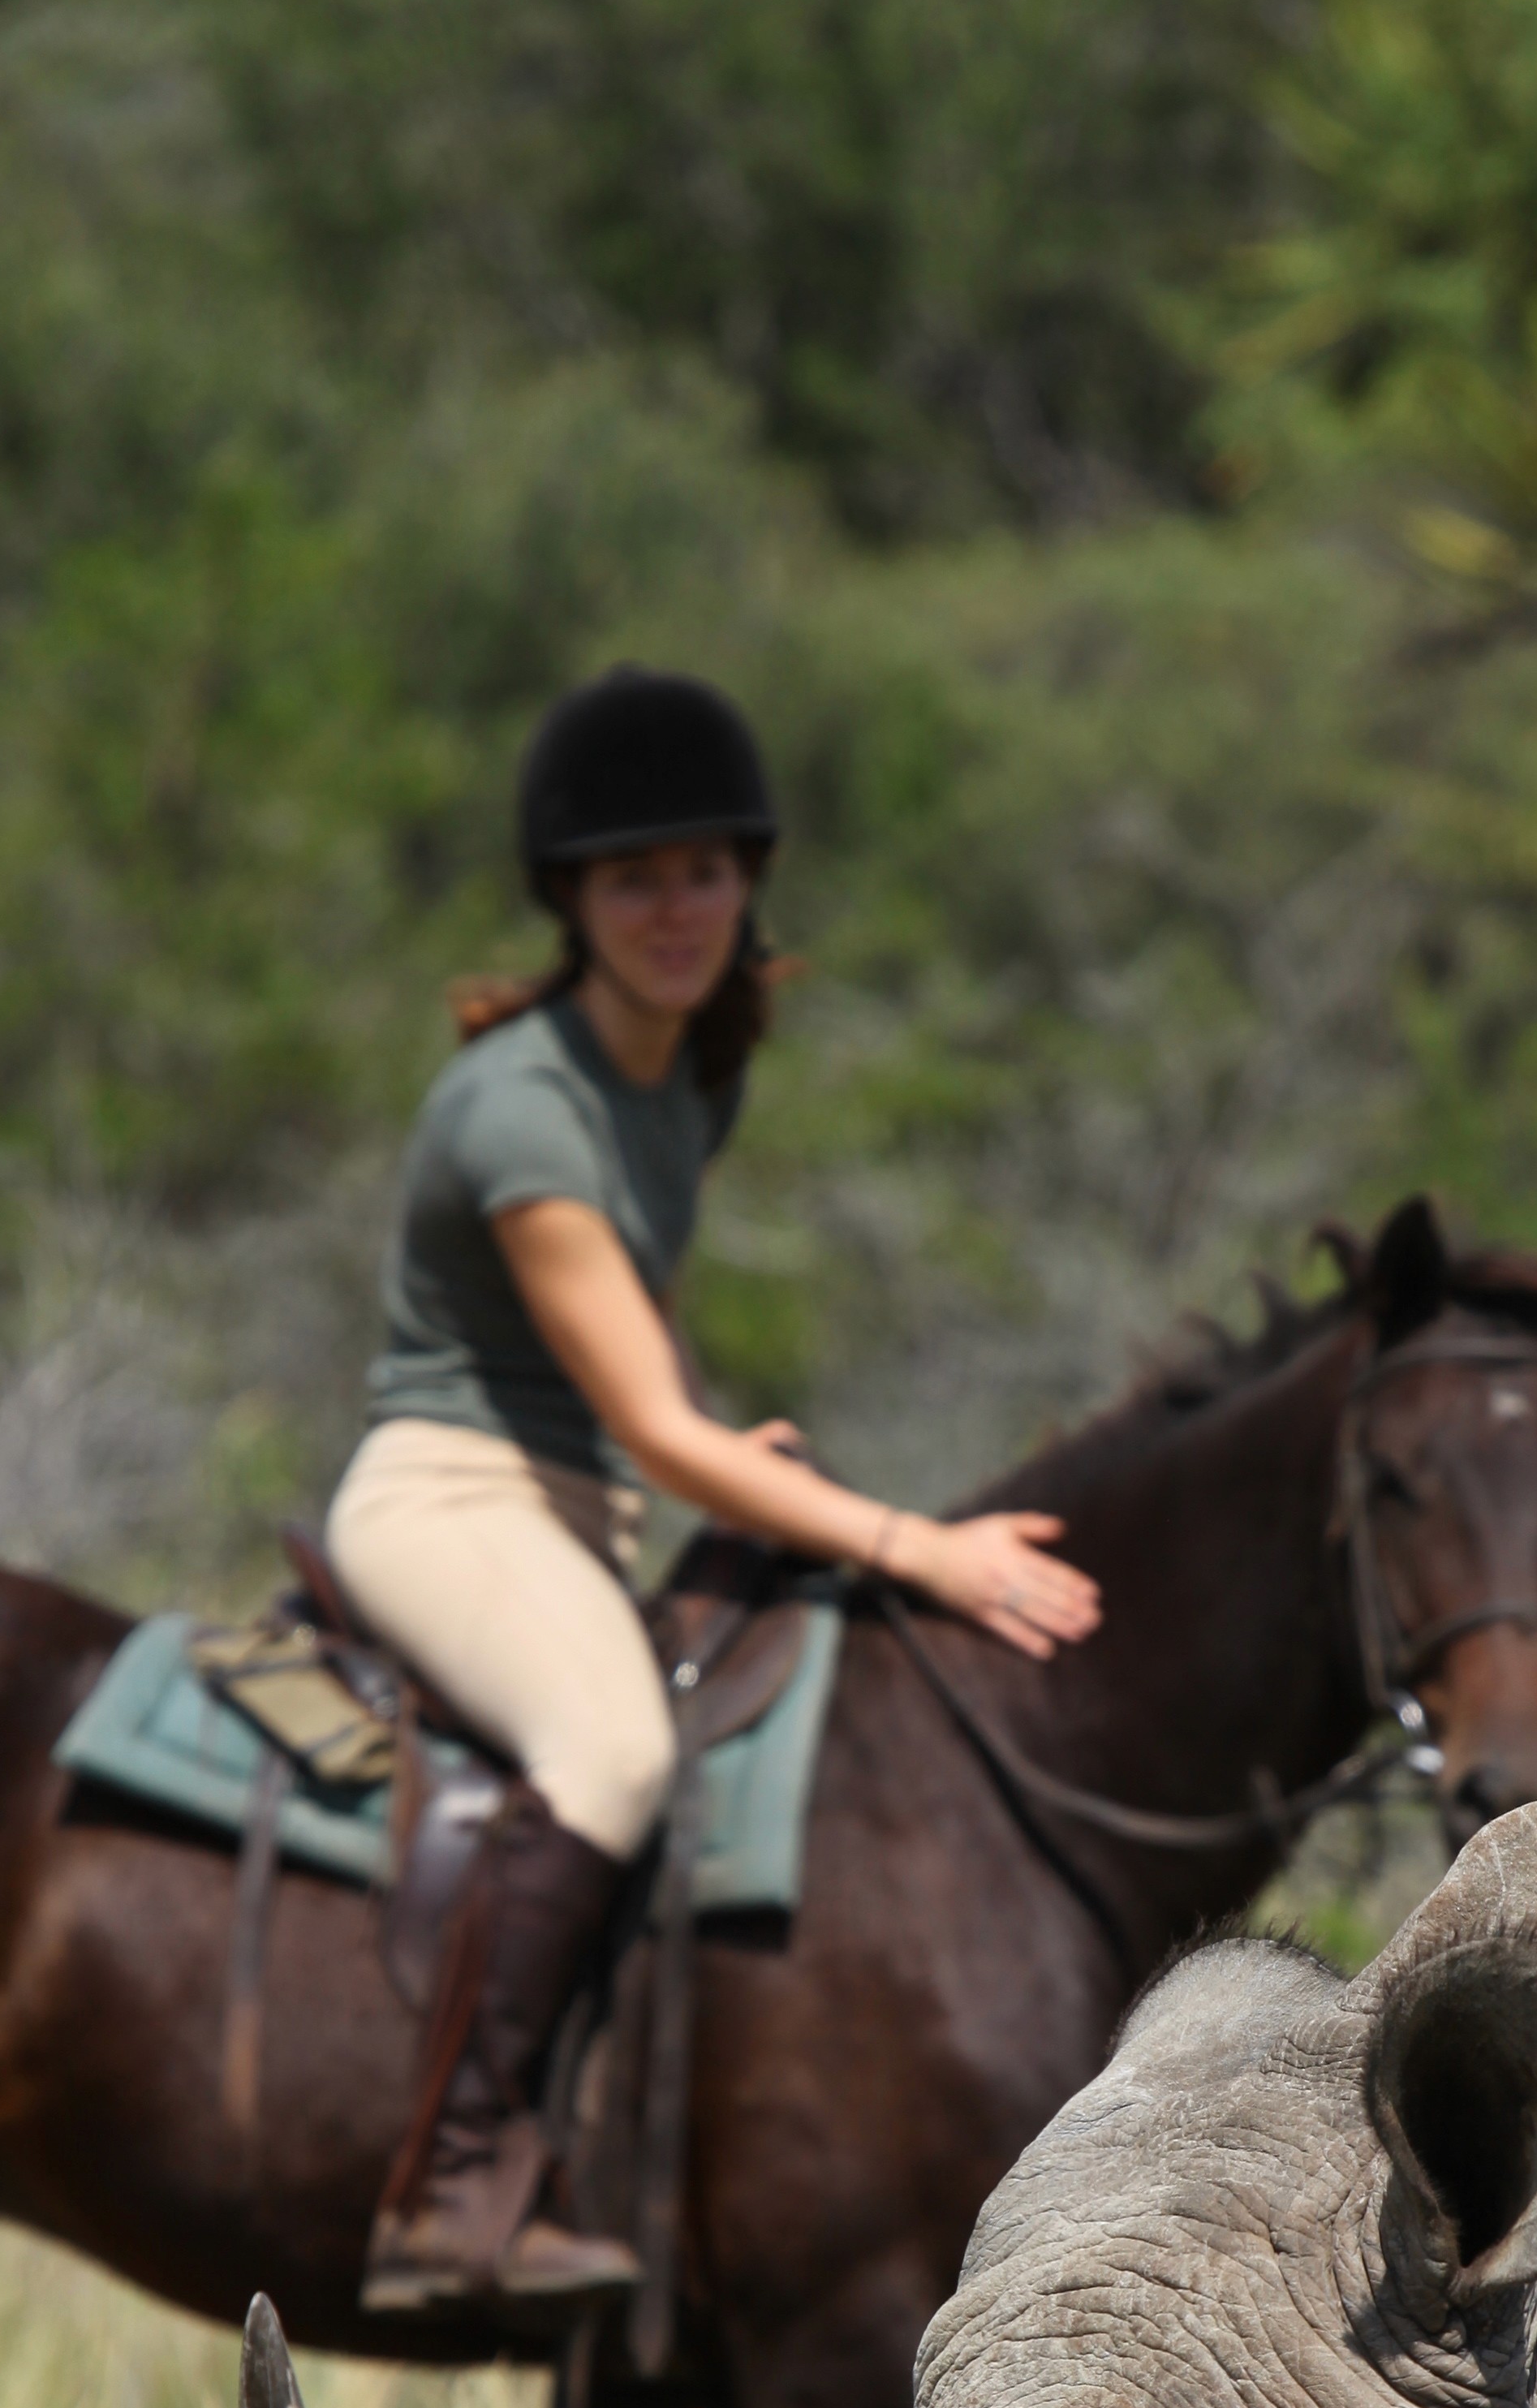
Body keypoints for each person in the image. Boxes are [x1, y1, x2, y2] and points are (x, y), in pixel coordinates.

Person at [327, 664, 1101, 2313]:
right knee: (607, 1749)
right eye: (632, 879)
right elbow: (652, 1432)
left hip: (577, 1507)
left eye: (701, 871)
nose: (674, 909)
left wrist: (734, 1449)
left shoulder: (688, 1067)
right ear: (571, 901)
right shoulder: (519, 1102)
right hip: (452, 1500)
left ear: (749, 875)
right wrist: (925, 1550)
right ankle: (453, 2183)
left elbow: (651, 1342)